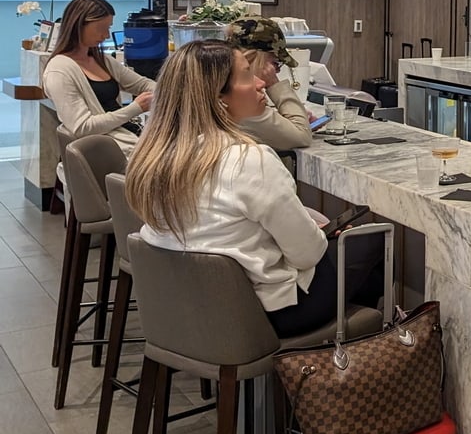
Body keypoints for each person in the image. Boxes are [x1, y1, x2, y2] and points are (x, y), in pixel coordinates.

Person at [126, 40, 383, 337]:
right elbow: (308, 255)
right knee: (368, 242)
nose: (261, 82)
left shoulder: (151, 157)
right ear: (218, 97)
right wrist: (313, 232)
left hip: (181, 309)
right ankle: (335, 369)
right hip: (258, 315)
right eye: (248, 75)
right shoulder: (250, 160)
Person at [41, 0, 155, 154]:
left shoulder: (104, 61)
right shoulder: (59, 71)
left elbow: (142, 84)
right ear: (79, 25)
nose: (106, 35)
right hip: (107, 152)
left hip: (127, 138)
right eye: (101, 28)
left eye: (108, 28)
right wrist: (135, 108)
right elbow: (83, 127)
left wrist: (165, 92)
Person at [224, 18, 312, 150]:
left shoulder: (221, 82)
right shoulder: (242, 101)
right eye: (275, 62)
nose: (277, 70)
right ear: (254, 58)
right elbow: (301, 136)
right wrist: (273, 83)